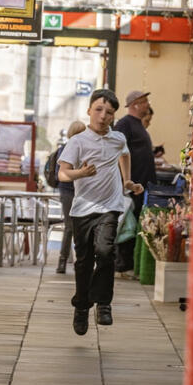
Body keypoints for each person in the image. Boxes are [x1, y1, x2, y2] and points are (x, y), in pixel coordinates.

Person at [58, 89, 143, 335]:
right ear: (89, 111)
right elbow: (63, 173)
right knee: (84, 262)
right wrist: (80, 174)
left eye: (109, 112)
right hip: (82, 209)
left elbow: (125, 155)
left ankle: (104, 304)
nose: (103, 116)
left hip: (110, 206)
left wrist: (127, 181)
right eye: (98, 110)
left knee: (106, 252)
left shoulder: (117, 139)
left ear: (114, 116)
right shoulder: (77, 142)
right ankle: (82, 307)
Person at [113, 90, 158, 275]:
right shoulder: (124, 125)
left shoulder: (138, 125)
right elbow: (116, 151)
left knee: (134, 224)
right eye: (144, 101)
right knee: (126, 226)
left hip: (141, 186)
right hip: (131, 187)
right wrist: (125, 181)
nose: (147, 104)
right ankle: (122, 265)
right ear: (135, 104)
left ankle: (128, 264)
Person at [55, 120, 86, 274]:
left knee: (78, 227)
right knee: (70, 226)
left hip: (80, 191)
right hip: (68, 191)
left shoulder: (86, 149)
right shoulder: (66, 149)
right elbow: (59, 174)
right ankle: (62, 261)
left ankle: (78, 261)